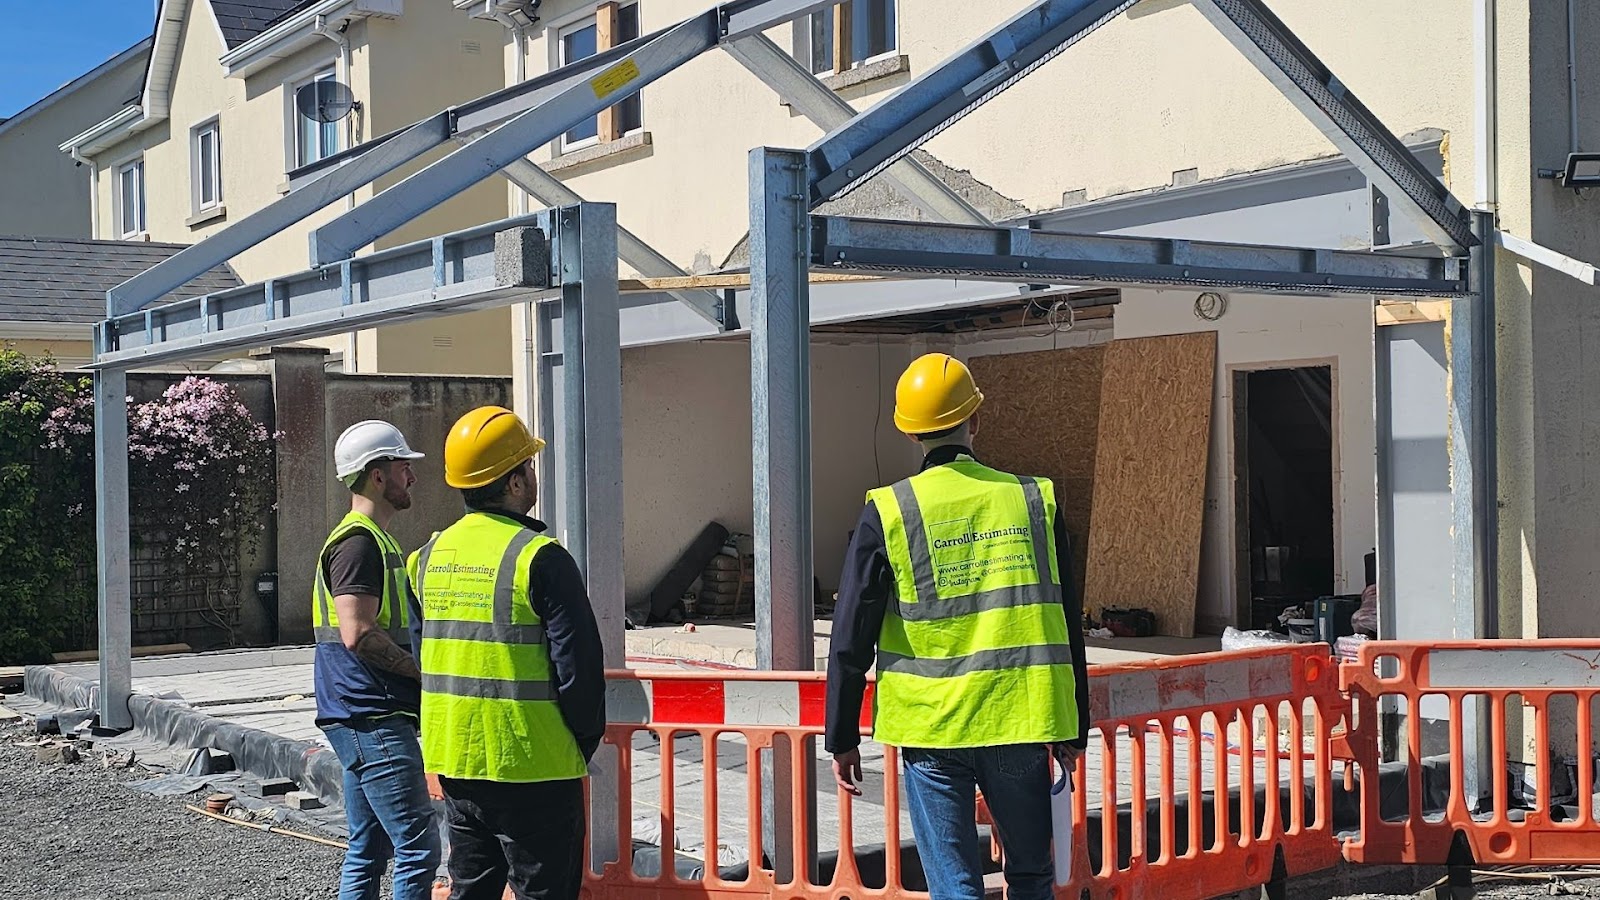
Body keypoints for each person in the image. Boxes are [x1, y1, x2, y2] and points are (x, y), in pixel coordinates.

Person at [825, 353, 1091, 900]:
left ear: (907, 430)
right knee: (1031, 874)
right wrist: (1073, 727)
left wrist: (842, 738)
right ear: (977, 419)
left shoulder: (890, 510)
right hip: (1019, 718)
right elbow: (1067, 622)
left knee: (955, 887)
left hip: (932, 731)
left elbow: (850, 637)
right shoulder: (1031, 500)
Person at [410, 405, 605, 900]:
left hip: (457, 762)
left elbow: (424, 656)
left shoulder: (427, 557)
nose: (533, 475)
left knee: (471, 890)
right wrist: (579, 744)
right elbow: (578, 671)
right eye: (529, 466)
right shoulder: (540, 557)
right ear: (515, 483)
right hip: (535, 764)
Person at [312, 419, 441, 900]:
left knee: (369, 846)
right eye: (403, 466)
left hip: (359, 711)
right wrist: (424, 675)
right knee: (419, 846)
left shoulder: (372, 540)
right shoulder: (359, 544)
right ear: (377, 474)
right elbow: (359, 634)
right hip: (372, 713)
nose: (412, 476)